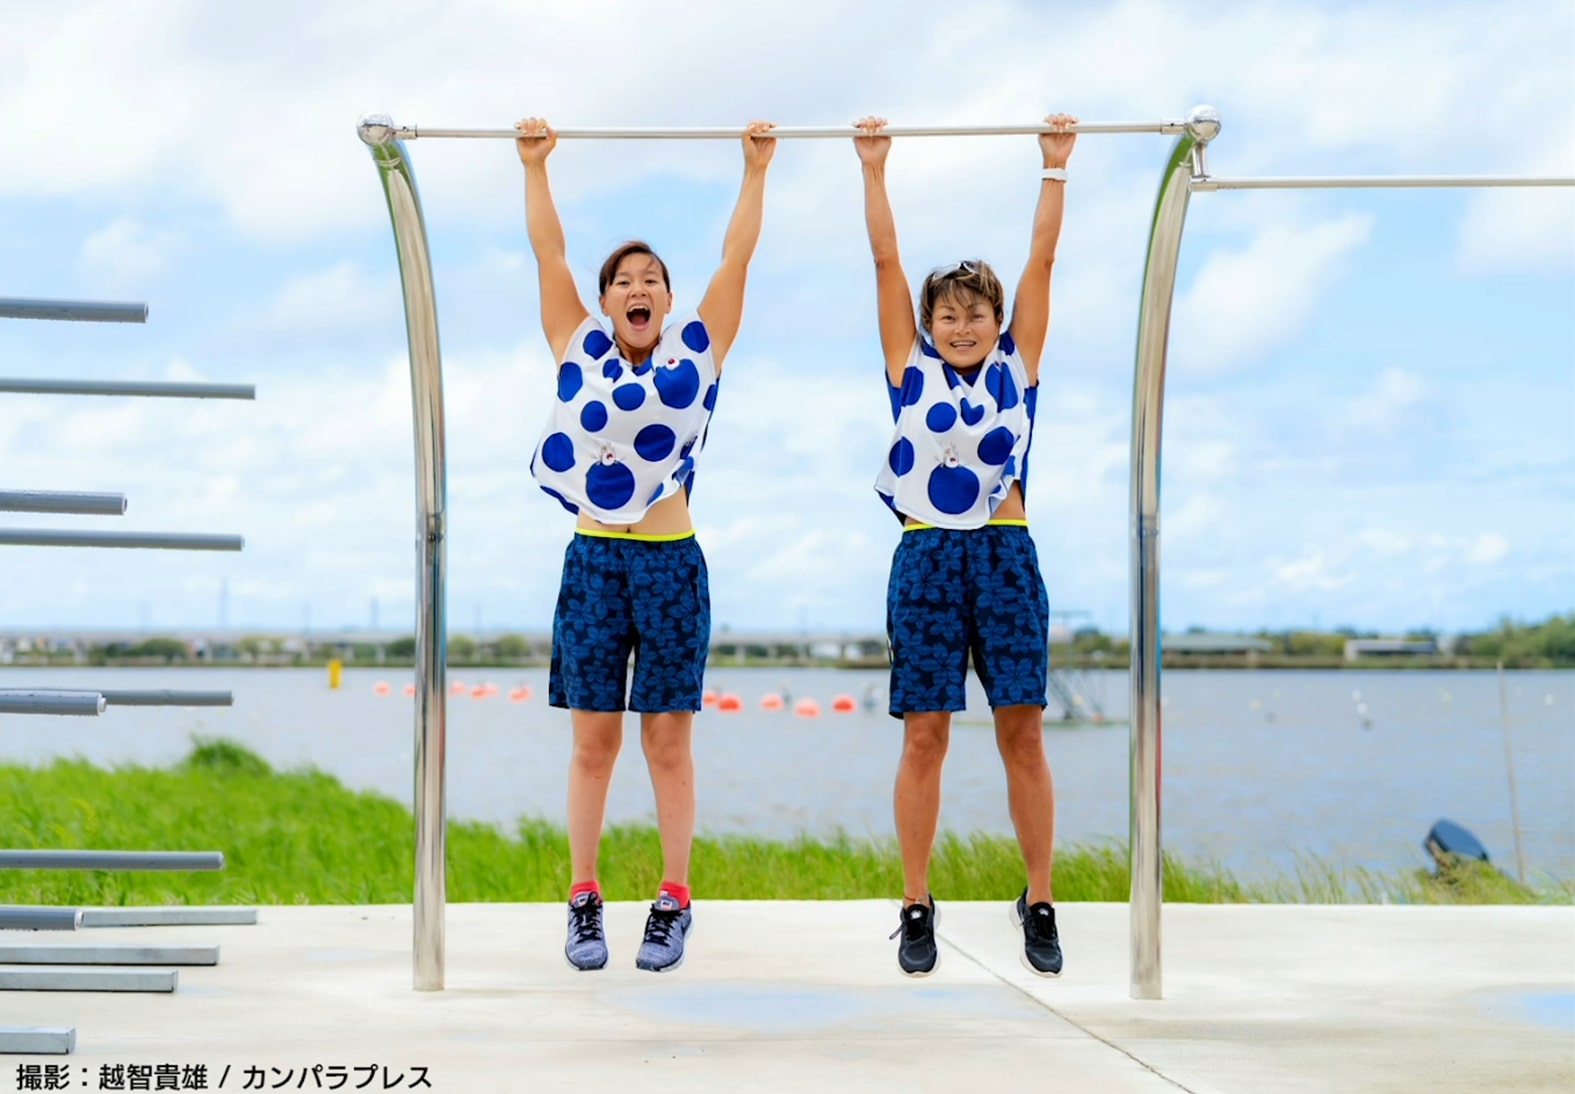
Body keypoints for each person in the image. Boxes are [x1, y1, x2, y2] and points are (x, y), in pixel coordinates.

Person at [515, 115, 777, 973]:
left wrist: (754, 169)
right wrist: (535, 167)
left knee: (668, 741)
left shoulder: (697, 352)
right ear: (606, 301)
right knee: (594, 742)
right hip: (594, 561)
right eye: (624, 279)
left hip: (670, 565)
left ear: (667, 300)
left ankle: (672, 899)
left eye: (652, 279)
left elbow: (736, 260)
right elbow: (549, 255)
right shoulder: (577, 345)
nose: (639, 288)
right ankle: (583, 898)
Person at [853, 113, 1076, 978]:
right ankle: (915, 902)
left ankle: (1040, 897)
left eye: (974, 313)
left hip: (1006, 553)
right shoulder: (909, 372)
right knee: (924, 737)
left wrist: (1053, 169)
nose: (960, 325)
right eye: (946, 314)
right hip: (926, 558)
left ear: (994, 320)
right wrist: (875, 170)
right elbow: (882, 263)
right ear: (929, 324)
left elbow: (1043, 263)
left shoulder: (1019, 365)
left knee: (1022, 734)